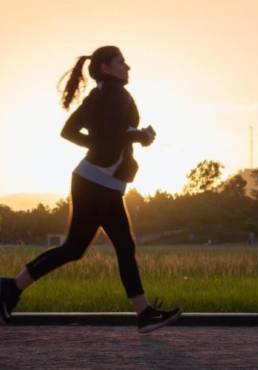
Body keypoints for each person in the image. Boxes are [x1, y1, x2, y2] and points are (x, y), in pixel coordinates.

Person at [0, 45, 182, 333]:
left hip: (98, 181)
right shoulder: (113, 94)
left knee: (87, 248)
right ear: (106, 67)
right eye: (121, 61)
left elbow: (73, 132)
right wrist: (137, 135)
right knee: (108, 246)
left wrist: (112, 144)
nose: (128, 67)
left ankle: (11, 288)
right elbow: (109, 135)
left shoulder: (100, 94)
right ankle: (144, 313)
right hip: (96, 183)